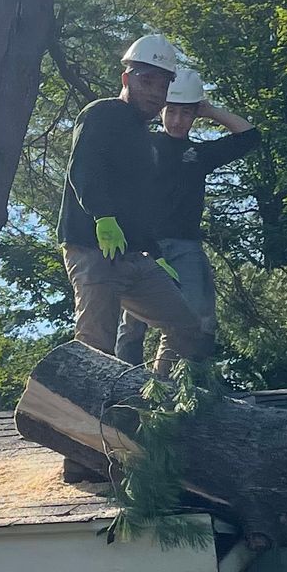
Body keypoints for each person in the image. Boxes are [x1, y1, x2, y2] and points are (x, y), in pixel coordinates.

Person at [59, 35, 215, 373]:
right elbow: (83, 167)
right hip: (92, 249)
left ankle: (159, 393)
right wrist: (103, 217)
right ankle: (84, 418)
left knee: (187, 327)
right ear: (127, 79)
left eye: (162, 84)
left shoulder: (146, 141)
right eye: (147, 81)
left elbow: (141, 208)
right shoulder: (102, 113)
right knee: (95, 346)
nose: (155, 92)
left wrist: (155, 253)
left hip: (133, 257)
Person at [114, 68, 259, 362]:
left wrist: (210, 110)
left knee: (198, 317)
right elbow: (113, 132)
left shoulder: (199, 153)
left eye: (187, 114)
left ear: (195, 116)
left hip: (185, 246)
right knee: (132, 325)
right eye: (172, 112)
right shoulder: (143, 141)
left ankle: (173, 385)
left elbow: (250, 138)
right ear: (161, 111)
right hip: (141, 245)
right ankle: (121, 389)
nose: (178, 121)